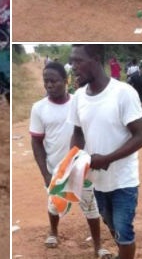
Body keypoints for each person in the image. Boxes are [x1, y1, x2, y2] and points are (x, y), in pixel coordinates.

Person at [69, 44, 142, 259]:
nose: (73, 66)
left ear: (95, 59)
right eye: (71, 61)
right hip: (97, 181)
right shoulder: (78, 97)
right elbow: (78, 133)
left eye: (78, 61)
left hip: (124, 180)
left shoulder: (123, 93)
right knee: (112, 226)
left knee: (124, 231)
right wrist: (72, 160)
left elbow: (140, 137)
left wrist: (107, 159)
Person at [29, 62, 106, 256]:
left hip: (81, 167)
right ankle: (53, 231)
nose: (49, 85)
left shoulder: (79, 103)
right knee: (54, 203)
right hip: (56, 169)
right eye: (46, 81)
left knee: (90, 205)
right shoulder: (39, 108)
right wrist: (46, 173)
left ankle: (98, 246)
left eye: (54, 81)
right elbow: (36, 143)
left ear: (66, 80)